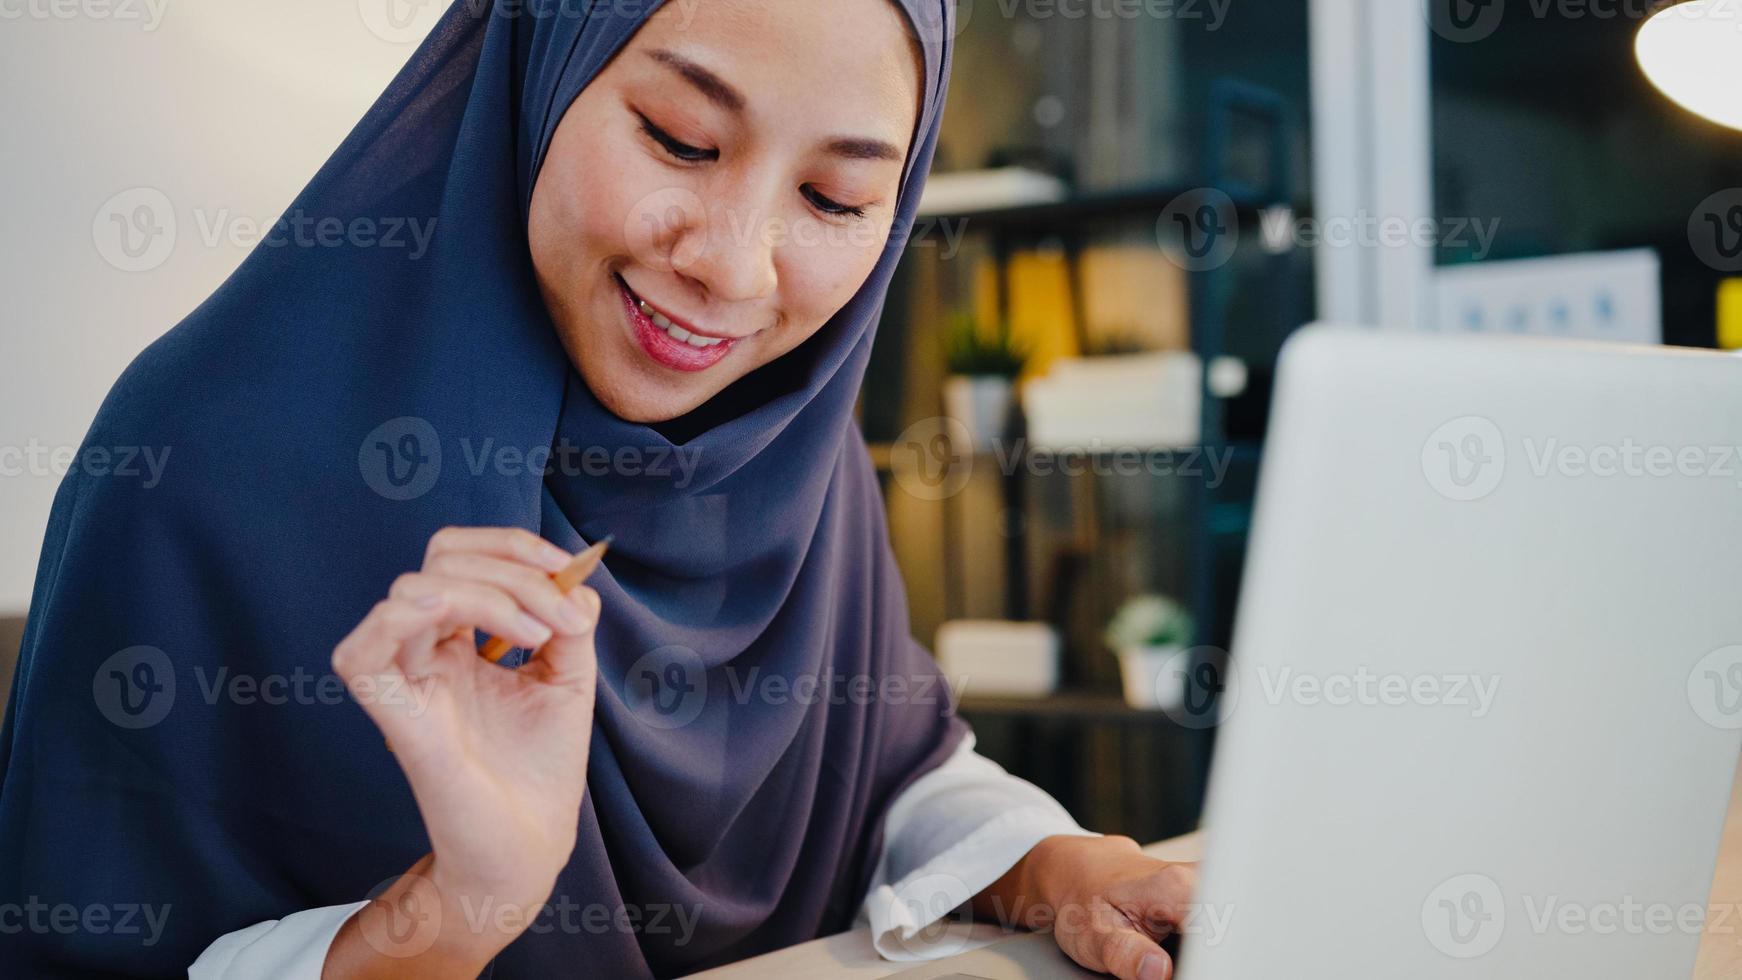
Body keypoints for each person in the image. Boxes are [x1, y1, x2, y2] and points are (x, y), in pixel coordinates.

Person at [0, 1, 1197, 978]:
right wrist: (453, 910)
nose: (730, 268)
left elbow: (886, 768)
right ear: (540, 65)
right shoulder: (197, 464)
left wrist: (1062, 868)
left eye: (834, 200)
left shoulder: (793, 451)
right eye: (679, 136)